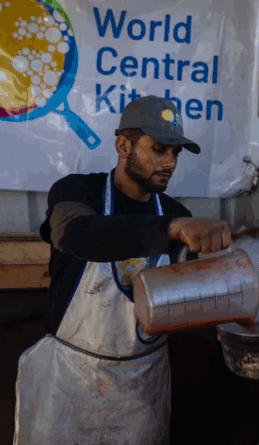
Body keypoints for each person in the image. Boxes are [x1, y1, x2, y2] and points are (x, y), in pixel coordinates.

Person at [13, 96, 233, 444]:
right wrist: (170, 229)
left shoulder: (175, 213)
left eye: (175, 154)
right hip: (69, 382)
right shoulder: (77, 193)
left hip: (141, 388)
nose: (170, 163)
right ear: (123, 146)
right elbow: (76, 235)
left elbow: (190, 291)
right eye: (158, 149)